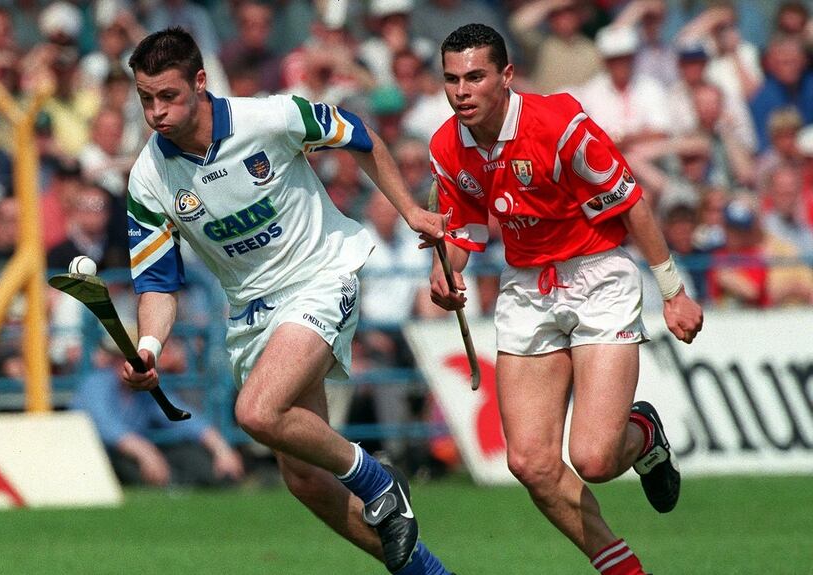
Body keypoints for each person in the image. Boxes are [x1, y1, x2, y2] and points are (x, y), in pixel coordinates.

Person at [120, 27, 451, 575]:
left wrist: (411, 210)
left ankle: (378, 478)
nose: (156, 112)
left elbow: (358, 135)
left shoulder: (270, 118)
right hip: (251, 314)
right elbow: (156, 282)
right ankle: (430, 573)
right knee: (303, 480)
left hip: (320, 276)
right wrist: (149, 345)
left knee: (256, 410)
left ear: (200, 83)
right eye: (146, 98)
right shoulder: (149, 178)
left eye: (168, 96)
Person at [427, 24, 703, 575]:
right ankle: (621, 567)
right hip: (527, 287)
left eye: (475, 76)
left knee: (595, 459)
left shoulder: (558, 123)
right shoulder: (446, 145)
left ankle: (643, 432)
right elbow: (466, 230)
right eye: (452, 79)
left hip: (598, 275)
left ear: (505, 76)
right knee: (530, 462)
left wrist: (672, 292)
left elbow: (631, 203)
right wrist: (446, 272)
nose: (462, 91)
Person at [73, 329, 244, 488]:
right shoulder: (97, 384)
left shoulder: (143, 390)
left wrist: (221, 449)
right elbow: (106, 428)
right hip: (100, 457)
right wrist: (146, 453)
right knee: (128, 465)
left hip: (134, 452)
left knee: (192, 457)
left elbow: (179, 415)